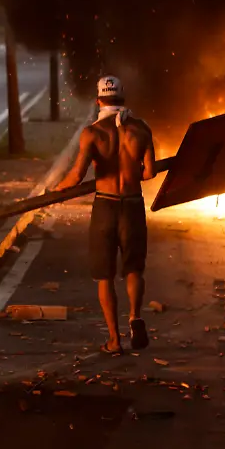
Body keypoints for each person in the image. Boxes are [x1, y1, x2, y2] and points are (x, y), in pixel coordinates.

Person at [55, 75, 157, 356]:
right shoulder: (141, 129)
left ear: (98, 100)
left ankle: (114, 340)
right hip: (133, 204)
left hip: (106, 205)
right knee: (134, 269)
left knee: (105, 276)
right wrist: (132, 171)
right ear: (123, 98)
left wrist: (57, 188)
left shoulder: (92, 133)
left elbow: (76, 176)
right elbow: (150, 172)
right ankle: (135, 317)